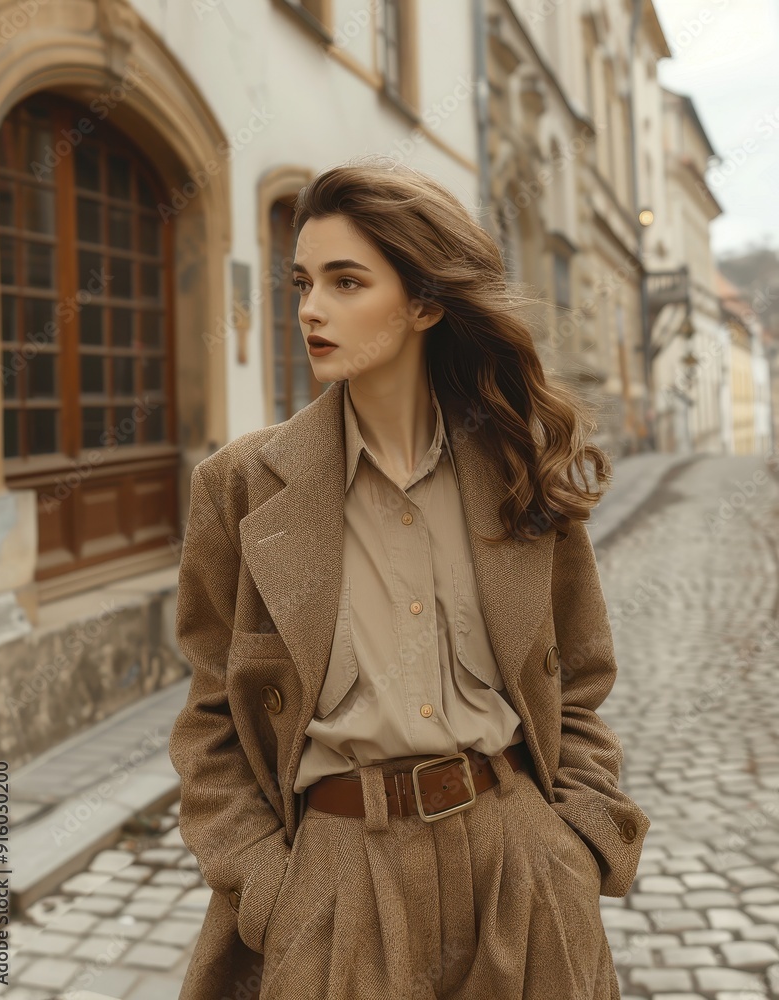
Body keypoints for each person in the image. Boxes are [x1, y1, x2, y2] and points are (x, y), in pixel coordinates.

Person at [168, 156, 650, 1000]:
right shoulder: (240, 487)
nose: (311, 308)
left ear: (426, 303)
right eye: (303, 283)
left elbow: (578, 677)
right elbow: (211, 724)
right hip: (338, 880)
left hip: (520, 867)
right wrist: (272, 890)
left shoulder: (521, 468)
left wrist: (574, 844)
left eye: (346, 282)